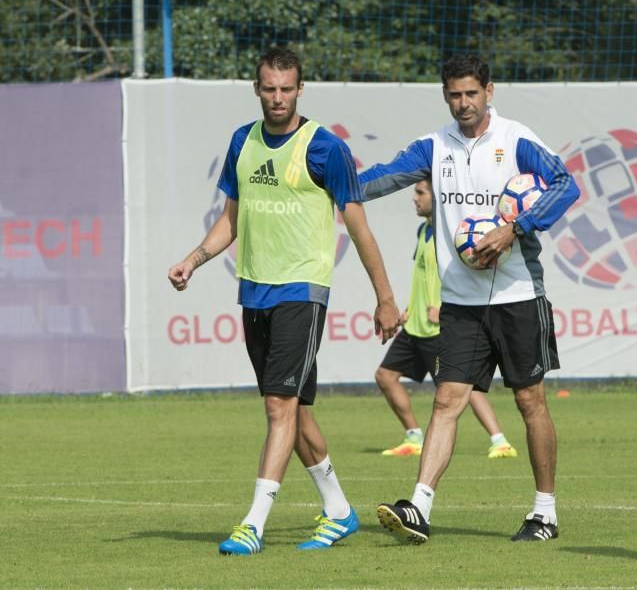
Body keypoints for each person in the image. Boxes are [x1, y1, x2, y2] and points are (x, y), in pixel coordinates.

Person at [167, 46, 400, 556]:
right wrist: (193, 259)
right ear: (257, 89)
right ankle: (339, 511)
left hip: (303, 291)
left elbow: (359, 228)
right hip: (254, 291)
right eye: (269, 88)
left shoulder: (325, 148)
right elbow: (231, 217)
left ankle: (253, 523)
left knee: (279, 405)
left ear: (300, 90)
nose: (277, 97)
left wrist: (385, 298)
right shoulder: (242, 142)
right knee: (294, 412)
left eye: (286, 89)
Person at [359, 54, 580, 544]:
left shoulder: (516, 140)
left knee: (530, 400)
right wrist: (331, 184)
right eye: (454, 95)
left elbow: (567, 184)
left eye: (471, 94)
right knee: (447, 399)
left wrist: (514, 228)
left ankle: (544, 512)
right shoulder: (433, 147)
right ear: (445, 95)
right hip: (460, 300)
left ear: (489, 91)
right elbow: (380, 178)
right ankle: (419, 505)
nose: (463, 103)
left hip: (520, 294)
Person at [376, 177, 518, 460]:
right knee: (385, 376)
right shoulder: (422, 231)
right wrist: (409, 310)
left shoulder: (452, 236)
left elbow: (462, 274)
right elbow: (422, 277)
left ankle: (500, 440)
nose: (415, 198)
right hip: (415, 326)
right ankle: (414, 436)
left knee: (462, 387)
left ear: (436, 196)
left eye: (420, 192)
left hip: (437, 328)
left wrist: (444, 308)